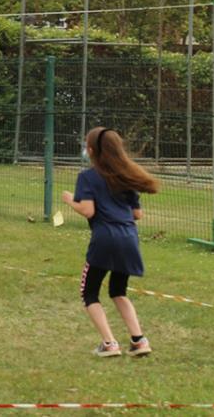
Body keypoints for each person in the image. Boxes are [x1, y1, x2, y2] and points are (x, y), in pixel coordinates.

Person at [61, 127, 158, 358]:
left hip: (105, 239)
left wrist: (70, 201)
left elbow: (87, 210)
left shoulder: (87, 177)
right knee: (118, 290)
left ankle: (109, 343)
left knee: (89, 292)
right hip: (129, 239)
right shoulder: (126, 176)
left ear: (92, 150)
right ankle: (139, 340)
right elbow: (137, 215)